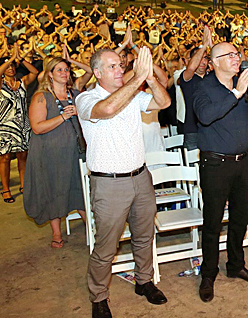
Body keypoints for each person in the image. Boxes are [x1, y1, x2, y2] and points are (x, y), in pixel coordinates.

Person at [76, 47, 170, 318]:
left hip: (140, 176)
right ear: (97, 73)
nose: (120, 69)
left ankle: (144, 281)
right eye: (113, 66)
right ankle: (99, 296)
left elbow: (162, 103)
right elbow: (108, 108)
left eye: (122, 65)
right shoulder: (87, 98)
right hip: (109, 184)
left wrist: (149, 77)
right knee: (106, 246)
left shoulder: (133, 95)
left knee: (144, 236)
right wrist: (134, 79)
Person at [193, 42, 248, 302]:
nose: (236, 58)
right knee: (213, 221)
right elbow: (205, 116)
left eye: (237, 54)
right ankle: (208, 273)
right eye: (228, 55)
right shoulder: (202, 86)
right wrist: (237, 94)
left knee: (240, 217)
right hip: (215, 163)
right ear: (214, 61)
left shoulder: (243, 83)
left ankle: (236, 265)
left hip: (242, 162)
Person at [23, 57, 86, 248]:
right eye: (59, 70)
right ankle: (56, 233)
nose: (64, 73)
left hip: (76, 150)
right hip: (51, 152)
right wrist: (63, 116)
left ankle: (91, 225)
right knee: (55, 190)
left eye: (66, 69)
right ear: (50, 74)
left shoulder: (75, 94)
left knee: (80, 188)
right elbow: (37, 127)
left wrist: (79, 112)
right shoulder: (41, 97)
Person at [0, 44, 39, 203]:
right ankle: (5, 189)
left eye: (13, 66)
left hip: (21, 124)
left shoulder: (22, 82)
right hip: (4, 125)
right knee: (5, 157)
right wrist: (11, 58)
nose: (11, 68)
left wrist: (20, 59)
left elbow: (35, 72)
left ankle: (23, 185)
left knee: (23, 156)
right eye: (8, 66)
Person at [180, 27, 212, 150]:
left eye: (205, 58)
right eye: (200, 58)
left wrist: (211, 45)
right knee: (192, 168)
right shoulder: (188, 78)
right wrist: (203, 46)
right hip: (192, 130)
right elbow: (191, 68)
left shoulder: (211, 78)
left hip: (211, 130)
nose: (203, 62)